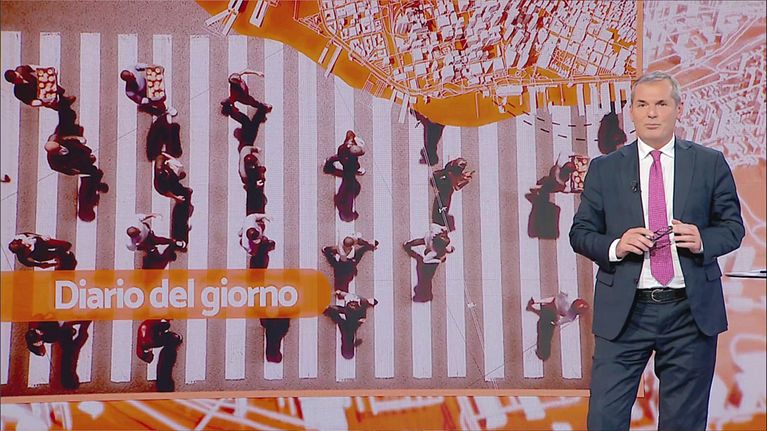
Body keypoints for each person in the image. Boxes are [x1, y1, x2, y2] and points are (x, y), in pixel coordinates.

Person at [569, 71, 744, 430]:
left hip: (689, 312)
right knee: (604, 419)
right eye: (642, 105)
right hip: (626, 312)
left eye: (661, 104)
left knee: (684, 423)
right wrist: (617, 246)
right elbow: (580, 233)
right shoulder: (605, 169)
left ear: (678, 109)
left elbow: (732, 228)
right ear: (631, 112)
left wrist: (702, 240)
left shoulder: (709, 163)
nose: (651, 113)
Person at [323, 290, 378, 359]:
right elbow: (361, 316)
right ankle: (329, 309)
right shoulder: (361, 304)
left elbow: (344, 295)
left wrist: (338, 293)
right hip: (350, 316)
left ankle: (328, 309)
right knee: (343, 321)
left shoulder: (357, 300)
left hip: (349, 313)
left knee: (341, 317)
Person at [136, 319, 182, 392]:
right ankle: (175, 338)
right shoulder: (145, 346)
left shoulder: (147, 345)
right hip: (150, 331)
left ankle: (174, 338)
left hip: (151, 335)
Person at [431, 157, 474, 230]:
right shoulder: (451, 174)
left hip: (443, 189)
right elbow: (457, 187)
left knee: (441, 208)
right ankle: (440, 224)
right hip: (445, 194)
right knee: (442, 209)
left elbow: (456, 177)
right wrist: (466, 180)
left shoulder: (449, 168)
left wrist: (464, 176)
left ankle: (440, 221)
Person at [8, 233, 76, 269]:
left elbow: (30, 234)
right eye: (24, 247)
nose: (26, 245)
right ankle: (64, 258)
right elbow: (28, 264)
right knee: (57, 254)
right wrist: (40, 265)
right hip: (40, 255)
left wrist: (41, 236)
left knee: (67, 245)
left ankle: (63, 254)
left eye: (23, 243)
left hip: (41, 243)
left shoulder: (21, 237)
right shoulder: (22, 257)